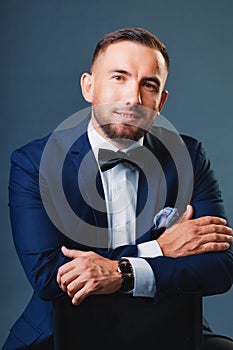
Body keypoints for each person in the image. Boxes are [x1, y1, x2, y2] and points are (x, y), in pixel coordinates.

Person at [3, 27, 233, 349]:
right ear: (89, 86)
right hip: (61, 332)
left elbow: (220, 267)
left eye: (148, 85)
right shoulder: (34, 162)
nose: (133, 98)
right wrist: (159, 249)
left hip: (168, 331)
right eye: (119, 78)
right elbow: (48, 276)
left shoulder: (189, 157)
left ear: (161, 101)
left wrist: (117, 272)